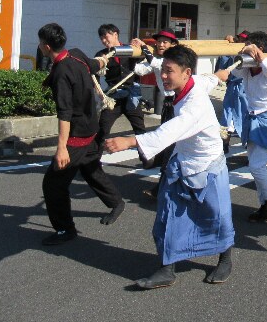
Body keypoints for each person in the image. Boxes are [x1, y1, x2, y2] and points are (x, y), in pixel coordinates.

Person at [104, 45, 235, 288]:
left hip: (208, 164)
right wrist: (219, 75)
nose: (163, 76)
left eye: (169, 71)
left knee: (218, 216)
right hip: (182, 161)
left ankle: (225, 259)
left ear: (186, 73)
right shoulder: (194, 81)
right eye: (163, 69)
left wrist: (130, 141)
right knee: (167, 216)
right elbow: (209, 79)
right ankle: (166, 269)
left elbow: (170, 131)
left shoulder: (194, 105)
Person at [37, 22, 125, 246]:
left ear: (46, 46)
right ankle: (116, 202)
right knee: (90, 169)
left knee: (53, 184)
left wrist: (61, 148)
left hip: (78, 135)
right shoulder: (76, 55)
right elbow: (96, 64)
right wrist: (104, 59)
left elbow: (65, 114)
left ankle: (65, 229)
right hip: (91, 127)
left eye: (40, 43)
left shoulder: (62, 72)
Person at [223, 31, 267, 223]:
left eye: (249, 47)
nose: (246, 50)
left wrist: (257, 52)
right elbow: (234, 71)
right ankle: (265, 203)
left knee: (256, 166)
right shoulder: (246, 69)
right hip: (253, 118)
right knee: (254, 165)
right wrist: (243, 52)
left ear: (259, 50)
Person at [131, 28, 180, 199]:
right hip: (168, 105)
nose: (161, 44)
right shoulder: (158, 60)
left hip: (180, 105)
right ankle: (159, 163)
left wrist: (144, 47)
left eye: (165, 42)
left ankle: (162, 185)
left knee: (172, 145)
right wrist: (132, 53)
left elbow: (154, 63)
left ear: (173, 44)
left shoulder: (176, 59)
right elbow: (140, 70)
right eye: (159, 41)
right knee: (167, 141)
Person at [95, 24, 149, 145]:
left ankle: (147, 156)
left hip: (132, 95)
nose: (104, 40)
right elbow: (95, 76)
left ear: (115, 35)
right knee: (102, 129)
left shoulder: (131, 50)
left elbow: (148, 59)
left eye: (106, 37)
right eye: (101, 38)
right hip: (113, 97)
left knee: (140, 130)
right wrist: (100, 94)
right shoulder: (102, 55)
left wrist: (141, 45)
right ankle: (94, 156)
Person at [215, 30, 250, 153]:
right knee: (226, 116)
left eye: (244, 39)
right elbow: (222, 66)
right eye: (240, 38)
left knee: (245, 116)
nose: (241, 41)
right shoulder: (231, 52)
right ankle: (224, 143)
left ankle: (248, 143)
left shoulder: (249, 54)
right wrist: (228, 44)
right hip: (232, 88)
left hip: (244, 88)